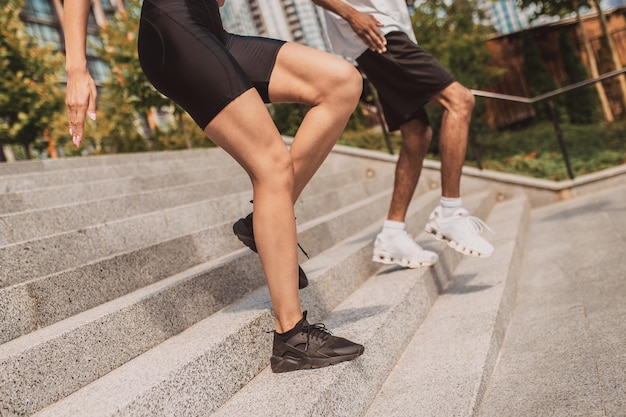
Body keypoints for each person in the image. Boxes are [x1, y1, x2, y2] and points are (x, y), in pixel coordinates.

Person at [64, 0, 364, 373]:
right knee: (271, 164)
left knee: (342, 82)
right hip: (174, 27)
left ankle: (263, 222)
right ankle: (291, 337)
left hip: (211, 28)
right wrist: (77, 68)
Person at [311, 0, 494, 268]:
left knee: (417, 132)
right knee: (460, 100)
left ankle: (393, 234)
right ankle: (450, 213)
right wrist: (351, 14)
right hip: (376, 32)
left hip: (386, 31)